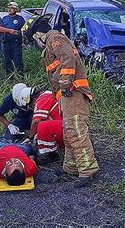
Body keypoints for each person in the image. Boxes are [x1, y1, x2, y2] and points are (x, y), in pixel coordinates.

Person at [30, 15, 99, 188]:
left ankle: (87, 170)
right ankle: (71, 167)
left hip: (73, 91)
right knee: (68, 131)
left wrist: (65, 83)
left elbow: (68, 59)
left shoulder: (54, 38)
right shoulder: (51, 43)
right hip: (65, 95)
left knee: (76, 131)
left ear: (38, 34)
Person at [29, 90, 63, 164]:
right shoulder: (49, 95)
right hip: (69, 126)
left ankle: (50, 154)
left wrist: (30, 136)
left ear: (33, 100)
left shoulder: (42, 98)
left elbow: (36, 121)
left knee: (42, 126)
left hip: (65, 126)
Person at [1, 2, 25, 74]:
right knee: (7, 60)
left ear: (16, 9)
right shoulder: (4, 19)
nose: (9, 9)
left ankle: (20, 75)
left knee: (18, 60)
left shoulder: (20, 19)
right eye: (9, 8)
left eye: (12, 8)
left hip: (16, 43)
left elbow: (24, 30)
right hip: (6, 43)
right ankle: (9, 76)